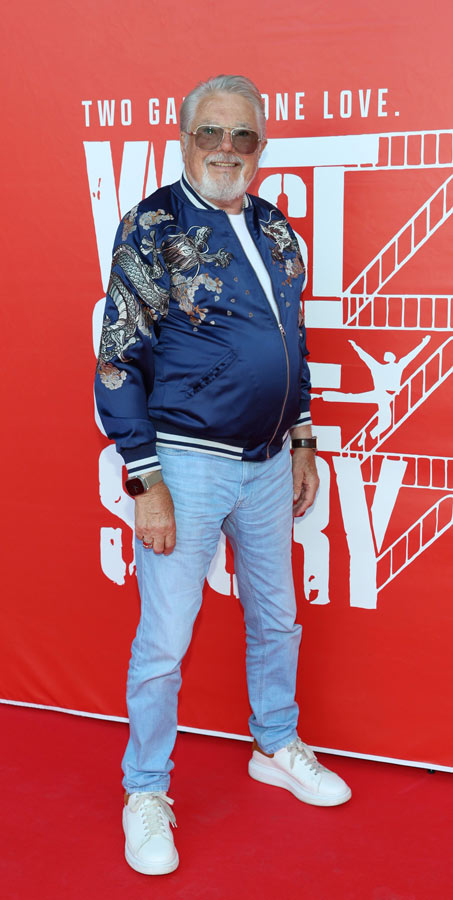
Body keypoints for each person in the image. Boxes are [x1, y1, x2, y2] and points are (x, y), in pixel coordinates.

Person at [95, 74, 351, 877]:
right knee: (165, 641)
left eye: (243, 135)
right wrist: (146, 481)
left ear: (260, 147)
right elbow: (117, 357)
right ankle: (145, 790)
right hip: (185, 464)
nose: (226, 149)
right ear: (183, 138)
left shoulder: (275, 227)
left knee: (277, 618)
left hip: (270, 464)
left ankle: (274, 744)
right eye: (211, 131)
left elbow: (292, 342)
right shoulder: (151, 226)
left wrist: (302, 438)